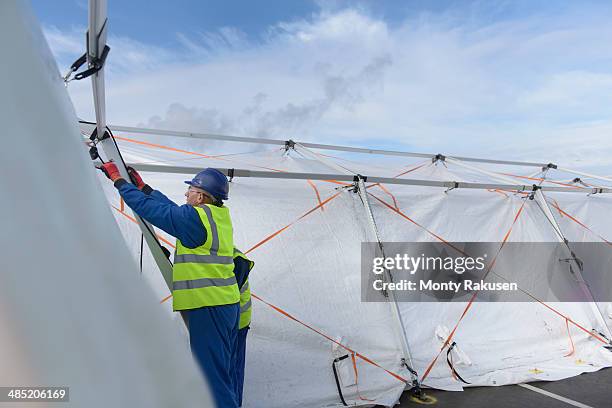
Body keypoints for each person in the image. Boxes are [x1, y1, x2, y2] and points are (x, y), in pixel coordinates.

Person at [99, 162, 240, 408]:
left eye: (191, 190)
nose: (186, 194)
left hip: (209, 306)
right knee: (219, 372)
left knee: (211, 379)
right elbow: (169, 209)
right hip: (222, 304)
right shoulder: (213, 216)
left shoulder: (195, 219)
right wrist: (144, 187)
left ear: (201, 196)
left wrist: (118, 181)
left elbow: (153, 211)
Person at [231, 249, 253, 407]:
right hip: (232, 323)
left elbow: (226, 296)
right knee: (231, 371)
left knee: (233, 373)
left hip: (237, 325)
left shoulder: (237, 259)